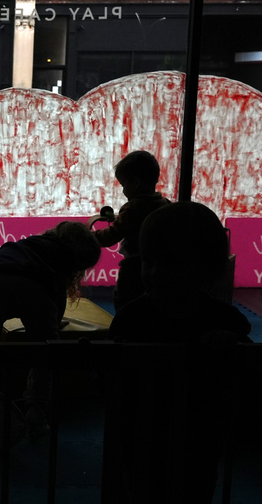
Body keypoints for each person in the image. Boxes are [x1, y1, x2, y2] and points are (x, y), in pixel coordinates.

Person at [106, 202, 252, 504]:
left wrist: (231, 346)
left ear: (206, 266)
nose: (156, 272)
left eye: (171, 263)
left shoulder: (133, 318)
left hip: (194, 441)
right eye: (149, 261)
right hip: (147, 441)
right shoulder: (222, 319)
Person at [0, 221, 101, 436]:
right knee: (43, 352)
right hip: (34, 289)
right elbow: (56, 303)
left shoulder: (23, 245)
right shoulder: (60, 261)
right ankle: (36, 410)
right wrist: (52, 325)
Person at [91, 150, 170, 312]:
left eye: (123, 185)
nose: (123, 190)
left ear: (135, 183)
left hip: (133, 268)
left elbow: (111, 236)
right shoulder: (165, 204)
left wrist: (90, 236)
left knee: (125, 303)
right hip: (160, 267)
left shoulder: (132, 208)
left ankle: (122, 333)